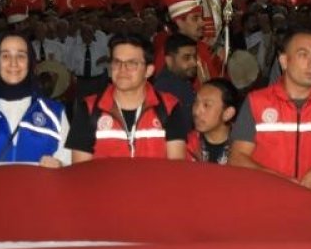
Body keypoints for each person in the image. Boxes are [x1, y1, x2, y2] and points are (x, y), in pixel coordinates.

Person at [229, 28, 311, 189]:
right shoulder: (257, 102)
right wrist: (278, 180)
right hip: (270, 199)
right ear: (283, 61)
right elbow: (237, 157)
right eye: (303, 55)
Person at [66, 33, 189, 162]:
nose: (122, 69)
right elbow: (81, 171)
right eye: (117, 62)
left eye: (132, 63)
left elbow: (175, 167)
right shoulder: (89, 108)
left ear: (149, 70)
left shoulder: (169, 107)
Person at [0, 33, 69, 167]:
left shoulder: (54, 112)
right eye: (5, 56)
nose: (13, 63)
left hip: (39, 188)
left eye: (21, 56)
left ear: (30, 62)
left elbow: (68, 160)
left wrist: (60, 164)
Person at [187, 78, 241, 164]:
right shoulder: (186, 145)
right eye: (196, 102)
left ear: (228, 113)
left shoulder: (243, 147)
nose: (196, 111)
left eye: (206, 105)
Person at [151, 33, 198, 111]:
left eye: (194, 57)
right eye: (186, 58)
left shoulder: (183, 81)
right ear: (169, 60)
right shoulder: (166, 88)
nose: (194, 63)